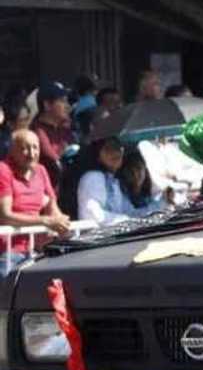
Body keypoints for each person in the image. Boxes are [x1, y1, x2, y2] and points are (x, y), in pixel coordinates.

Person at [0, 130, 71, 273]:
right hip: (7, 254)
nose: (31, 154)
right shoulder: (3, 170)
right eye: (24, 148)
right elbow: (5, 216)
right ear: (12, 151)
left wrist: (61, 223)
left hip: (36, 251)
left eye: (35, 147)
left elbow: (53, 207)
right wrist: (45, 221)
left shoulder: (41, 170)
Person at [63, 138, 168, 226]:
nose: (115, 152)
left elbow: (131, 214)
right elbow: (93, 216)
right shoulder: (93, 177)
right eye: (108, 149)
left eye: (118, 148)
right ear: (98, 155)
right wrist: (127, 220)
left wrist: (163, 202)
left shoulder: (114, 181)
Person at [31, 82, 75, 188]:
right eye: (62, 101)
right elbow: (54, 161)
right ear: (47, 105)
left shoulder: (64, 129)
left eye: (67, 101)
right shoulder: (37, 131)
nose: (67, 106)